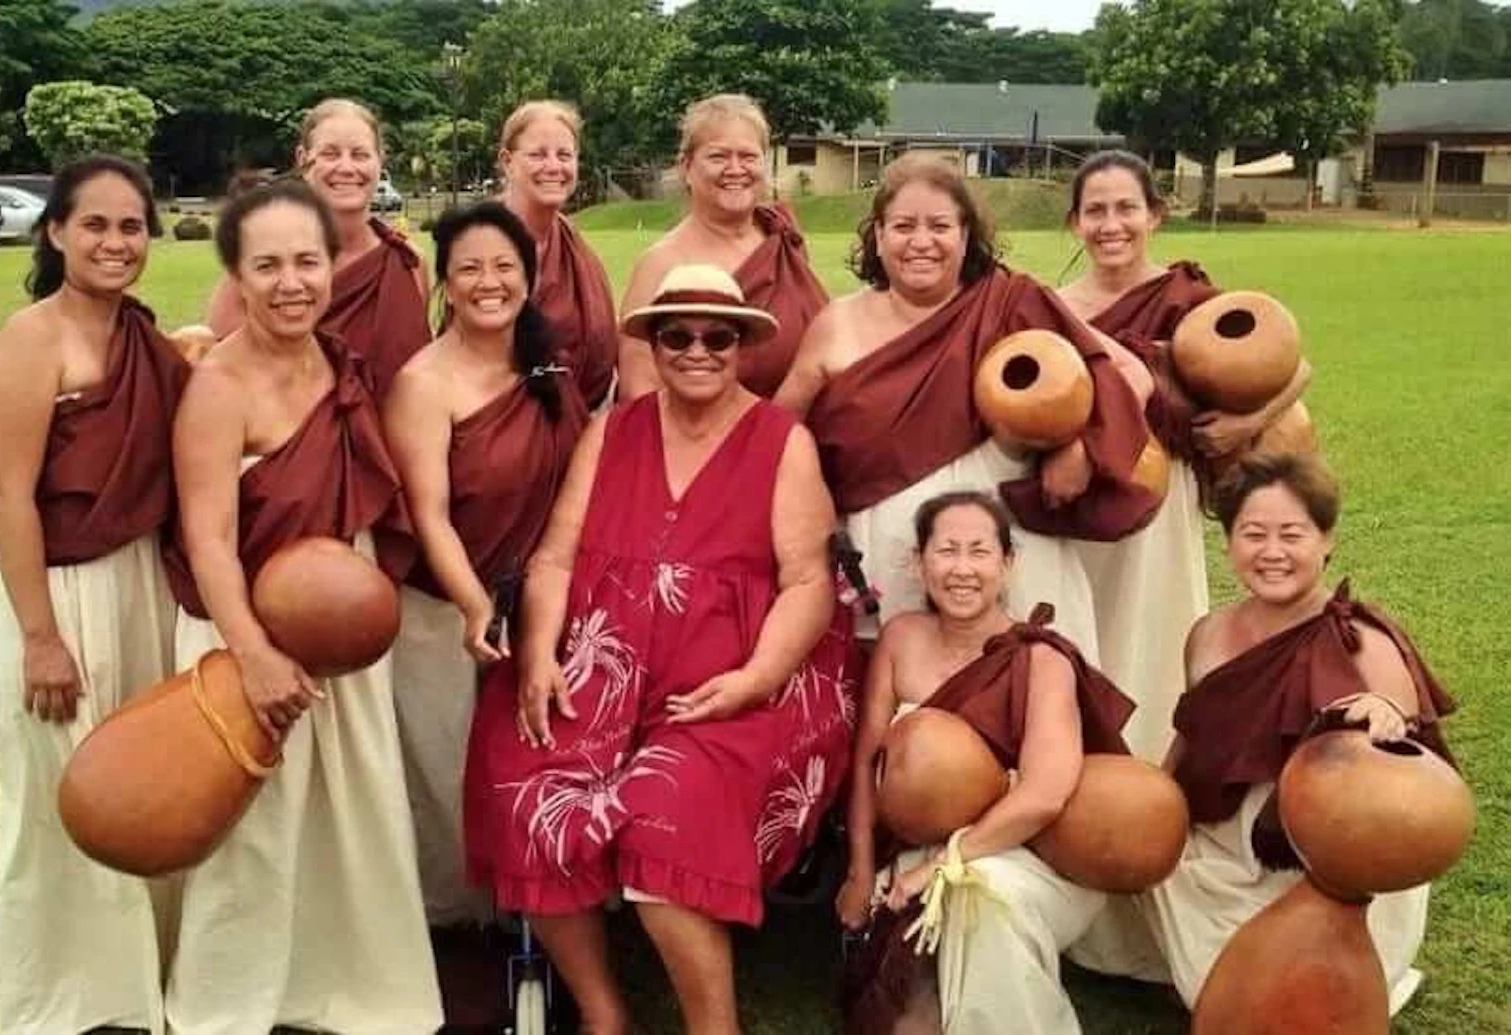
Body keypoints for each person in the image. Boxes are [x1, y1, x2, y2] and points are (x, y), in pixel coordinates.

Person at [464, 265, 858, 1034]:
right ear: (653, 344)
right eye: (678, 335)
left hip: (731, 679)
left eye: (718, 336)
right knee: (530, 779)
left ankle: (715, 1026)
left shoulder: (782, 441)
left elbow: (810, 583)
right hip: (604, 663)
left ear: (742, 345)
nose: (698, 350)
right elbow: (555, 557)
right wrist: (538, 655)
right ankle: (604, 1010)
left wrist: (756, 677)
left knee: (665, 811)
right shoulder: (614, 429)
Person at [162, 179, 440, 1034]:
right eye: (268, 265)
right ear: (237, 276)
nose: (292, 282)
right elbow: (208, 538)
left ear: (331, 265)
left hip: (338, 618)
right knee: (255, 822)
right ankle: (227, 1003)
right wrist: (253, 654)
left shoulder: (337, 363)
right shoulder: (217, 387)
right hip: (243, 623)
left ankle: (349, 982)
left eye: (308, 262)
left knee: (351, 804)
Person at [0, 154, 189, 1035]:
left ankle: (137, 984)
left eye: (131, 225)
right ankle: (67, 999)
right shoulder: (30, 339)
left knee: (133, 787)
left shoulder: (139, 335)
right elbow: (9, 495)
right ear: (55, 230)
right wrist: (40, 637)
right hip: (47, 588)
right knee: (57, 796)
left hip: (132, 582)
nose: (115, 241)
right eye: (95, 223)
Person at [778, 152, 1160, 657]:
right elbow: (779, 434)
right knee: (899, 691)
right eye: (903, 226)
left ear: (966, 234)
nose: (921, 242)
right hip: (887, 560)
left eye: (940, 226)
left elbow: (1129, 374)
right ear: (878, 235)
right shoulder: (837, 323)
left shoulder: (1010, 303)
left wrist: (1083, 449)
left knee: (1024, 689)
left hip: (1013, 555)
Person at [1141, 453, 1455, 1012]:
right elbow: (1191, 738)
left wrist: (1385, 717)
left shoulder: (1364, 640)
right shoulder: (1208, 634)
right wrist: (1155, 810)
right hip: (1225, 842)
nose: (1272, 552)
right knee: (1206, 978)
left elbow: (1415, 774)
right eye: (1253, 534)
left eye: (1292, 534)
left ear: (1326, 539)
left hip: (1325, 853)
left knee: (1283, 999)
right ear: (1228, 542)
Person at [384, 201, 587, 1021]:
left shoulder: (549, 368)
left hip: (544, 602)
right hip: (443, 611)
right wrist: (476, 607)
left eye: (504, 266)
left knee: (540, 760)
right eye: (469, 267)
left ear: (528, 277)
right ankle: (459, 932)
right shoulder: (421, 383)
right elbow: (428, 515)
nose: (488, 282)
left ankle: (543, 910)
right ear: (445, 280)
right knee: (449, 775)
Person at [836, 492, 1135, 1035]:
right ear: (918, 562)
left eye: (979, 551)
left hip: (1025, 854)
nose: (962, 569)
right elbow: (866, 765)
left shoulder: (1041, 658)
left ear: (1008, 563)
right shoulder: (900, 639)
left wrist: (942, 867)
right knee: (906, 1011)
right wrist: (859, 871)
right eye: (946, 551)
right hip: (912, 844)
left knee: (981, 894)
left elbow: (1044, 794)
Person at [1057, 150, 1311, 760]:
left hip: (1160, 491)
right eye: (1095, 211)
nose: (1111, 225)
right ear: (1074, 222)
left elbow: (1295, 367)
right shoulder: (1051, 305)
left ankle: (1151, 766)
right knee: (1075, 624)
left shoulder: (1189, 298)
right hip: (1079, 495)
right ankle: (1073, 762)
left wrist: (1247, 422)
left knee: (1153, 623)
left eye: (1126, 208)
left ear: (1155, 215)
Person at [206, 98, 430, 401]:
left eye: (360, 154)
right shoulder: (261, 264)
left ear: (380, 161)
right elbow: (221, 374)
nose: (346, 168)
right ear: (303, 158)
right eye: (330, 154)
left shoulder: (408, 262)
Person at [617, 93, 828, 400]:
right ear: (686, 166)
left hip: (802, 422)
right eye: (718, 157)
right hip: (707, 429)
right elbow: (640, 390)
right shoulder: (661, 263)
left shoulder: (782, 235)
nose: (735, 169)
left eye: (748, 157)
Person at [498, 99, 618, 408]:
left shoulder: (575, 247)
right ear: (507, 161)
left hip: (581, 416)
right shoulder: (481, 241)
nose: (553, 166)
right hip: (497, 420)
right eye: (538, 155)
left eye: (564, 155)